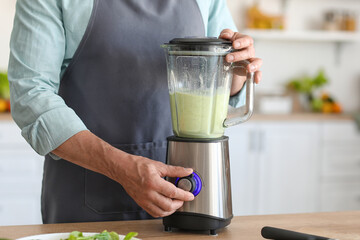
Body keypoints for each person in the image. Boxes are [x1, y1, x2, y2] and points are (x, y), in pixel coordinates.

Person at [8, 0, 262, 223]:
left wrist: (238, 68)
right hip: (86, 203)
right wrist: (121, 168)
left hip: (187, 196)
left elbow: (226, 76)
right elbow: (31, 95)